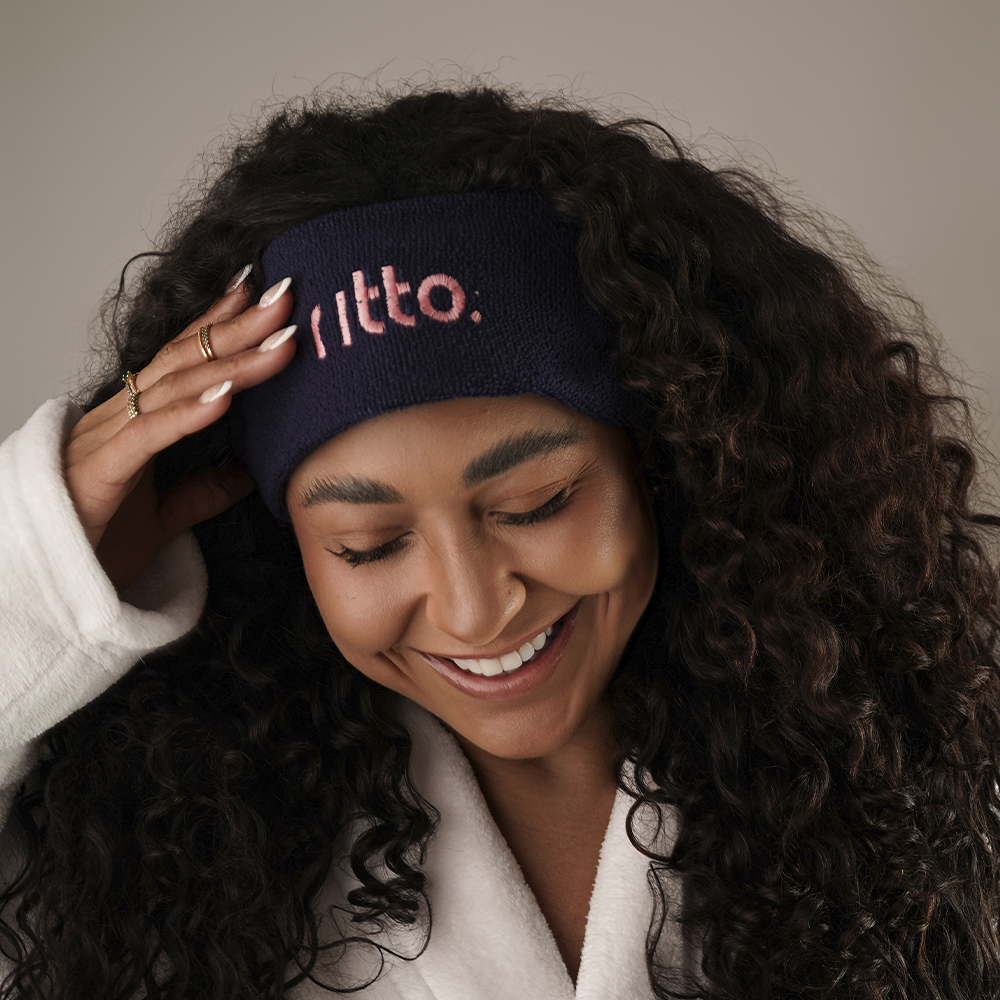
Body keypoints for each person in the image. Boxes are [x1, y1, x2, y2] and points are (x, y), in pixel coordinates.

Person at [0, 84, 998, 1000]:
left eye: (536, 502)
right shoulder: (152, 856)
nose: (475, 608)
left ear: (664, 453)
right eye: (367, 544)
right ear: (282, 543)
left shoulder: (935, 779)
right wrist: (37, 569)